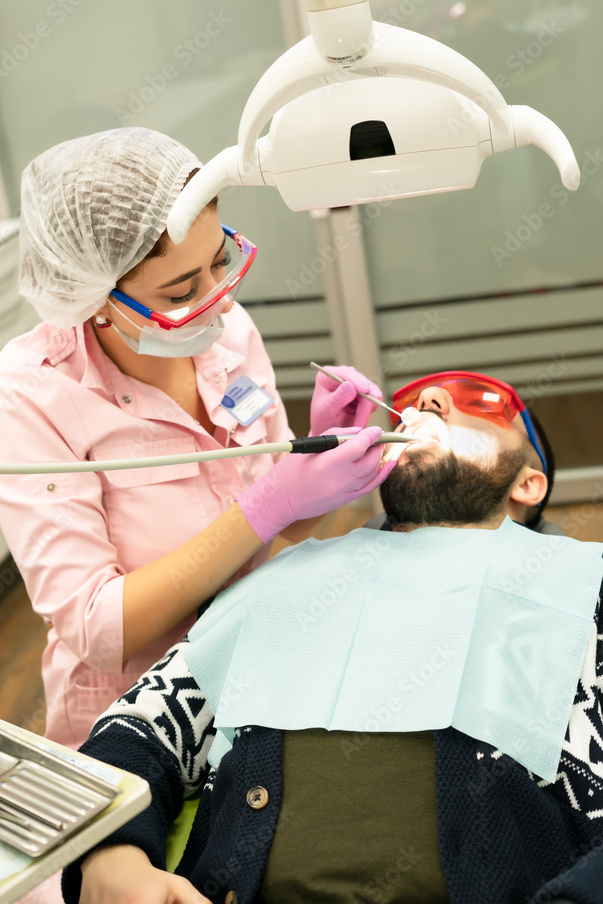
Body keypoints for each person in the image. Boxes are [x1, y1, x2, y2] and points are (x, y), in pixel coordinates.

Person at [62, 369, 603, 904]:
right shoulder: (289, 573)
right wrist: (113, 854)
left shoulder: (584, 582)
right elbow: (138, 730)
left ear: (529, 483)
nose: (429, 399)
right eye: (414, 399)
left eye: (481, 401)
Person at [0, 127, 392, 754]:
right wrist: (267, 505)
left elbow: (285, 521)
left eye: (221, 262)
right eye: (181, 291)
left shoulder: (227, 335)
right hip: (133, 722)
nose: (218, 303)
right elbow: (97, 628)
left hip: (261, 671)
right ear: (95, 298)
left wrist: (320, 453)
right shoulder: (28, 397)